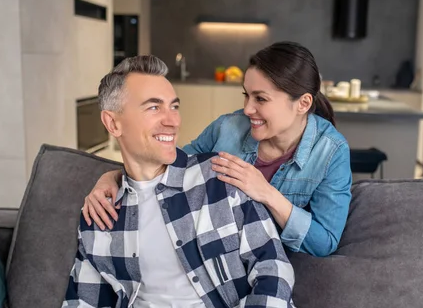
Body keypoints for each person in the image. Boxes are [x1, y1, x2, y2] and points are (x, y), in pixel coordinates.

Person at [14, 56, 310, 308]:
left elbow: (273, 270)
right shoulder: (100, 212)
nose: (172, 120)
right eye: (154, 108)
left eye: (174, 106)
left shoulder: (220, 179)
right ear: (113, 123)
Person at [83, 42, 352, 257]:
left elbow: (325, 242)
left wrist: (267, 193)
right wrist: (113, 177)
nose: (248, 109)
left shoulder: (331, 152)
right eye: (246, 95)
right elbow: (166, 165)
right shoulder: (228, 127)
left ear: (303, 103)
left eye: (261, 99)